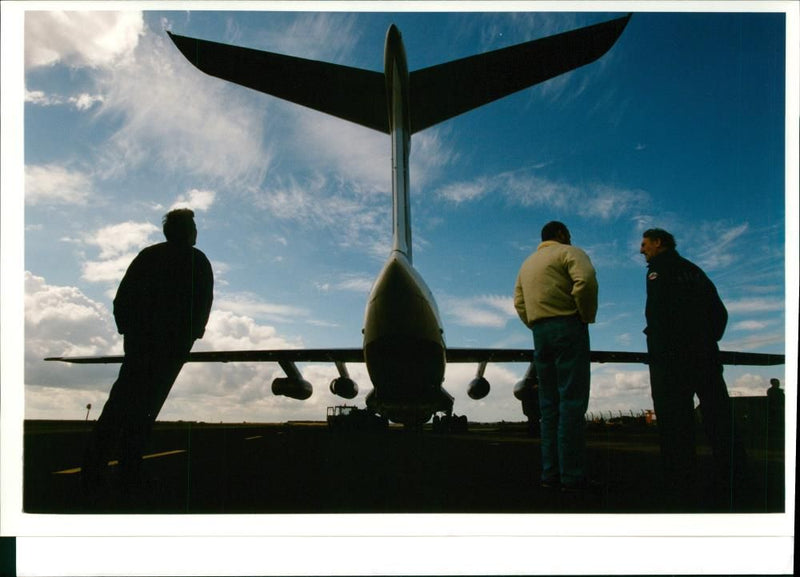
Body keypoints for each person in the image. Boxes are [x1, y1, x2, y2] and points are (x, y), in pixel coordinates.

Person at [82, 208, 214, 493]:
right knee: (146, 408)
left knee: (119, 402)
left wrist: (128, 329)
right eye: (192, 226)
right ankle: (129, 470)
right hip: (170, 346)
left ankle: (94, 467)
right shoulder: (197, 260)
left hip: (141, 342)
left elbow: (123, 297)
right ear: (187, 231)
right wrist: (189, 337)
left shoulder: (148, 256)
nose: (195, 231)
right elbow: (203, 302)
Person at [640, 228, 745, 509]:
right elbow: (719, 313)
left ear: (658, 242)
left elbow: (657, 313)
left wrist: (662, 346)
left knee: (675, 420)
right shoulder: (695, 271)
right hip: (706, 354)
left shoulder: (658, 270)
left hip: (672, 357)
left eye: (645, 244)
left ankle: (680, 481)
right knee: (717, 413)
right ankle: (735, 472)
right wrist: (707, 339)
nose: (642, 250)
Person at [514, 221, 598, 491]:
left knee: (548, 407)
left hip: (540, 332)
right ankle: (572, 476)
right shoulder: (569, 252)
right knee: (571, 402)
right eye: (568, 233)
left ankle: (550, 474)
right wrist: (584, 315)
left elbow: (518, 301)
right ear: (561, 234)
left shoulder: (527, 264)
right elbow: (584, 281)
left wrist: (534, 323)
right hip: (568, 327)